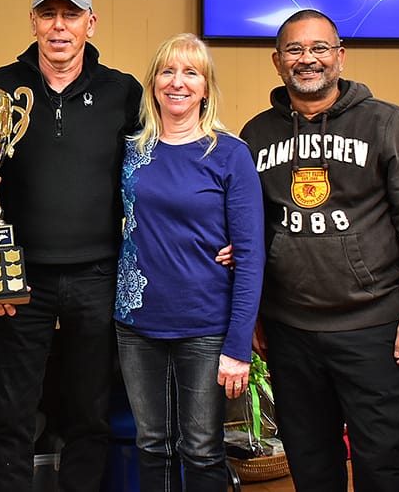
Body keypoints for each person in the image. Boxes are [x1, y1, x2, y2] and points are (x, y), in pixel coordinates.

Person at [240, 9, 399, 492]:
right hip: (289, 332)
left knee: (385, 462)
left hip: (374, 329)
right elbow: (250, 233)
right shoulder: (255, 135)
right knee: (311, 464)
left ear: (340, 57)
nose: (307, 59)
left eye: (318, 49)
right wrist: (252, 313)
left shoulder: (388, 124)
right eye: (294, 50)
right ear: (276, 61)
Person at [0, 0, 143, 492]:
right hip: (19, 280)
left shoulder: (124, 91)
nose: (58, 26)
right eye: (48, 14)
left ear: (90, 23)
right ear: (32, 22)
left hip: (98, 273)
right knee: (12, 414)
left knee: (88, 411)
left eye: (70, 14)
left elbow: (155, 175)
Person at [115, 33, 264, 490]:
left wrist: (239, 346)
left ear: (205, 87)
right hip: (136, 322)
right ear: (153, 82)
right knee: (151, 443)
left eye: (190, 72)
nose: (177, 82)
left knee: (201, 448)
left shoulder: (229, 154)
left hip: (204, 324)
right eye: (167, 71)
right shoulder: (130, 150)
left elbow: (251, 254)